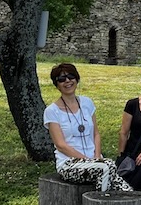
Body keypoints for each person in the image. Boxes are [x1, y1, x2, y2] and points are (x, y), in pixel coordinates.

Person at [43, 63, 132, 192]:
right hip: (70, 164)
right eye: (61, 79)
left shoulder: (87, 103)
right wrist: (88, 161)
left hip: (97, 161)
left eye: (71, 77)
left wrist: (96, 156)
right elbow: (61, 145)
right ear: (56, 84)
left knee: (127, 191)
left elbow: (96, 134)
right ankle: (100, 200)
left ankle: (116, 197)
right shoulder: (52, 111)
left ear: (77, 79)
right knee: (107, 167)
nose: (67, 81)